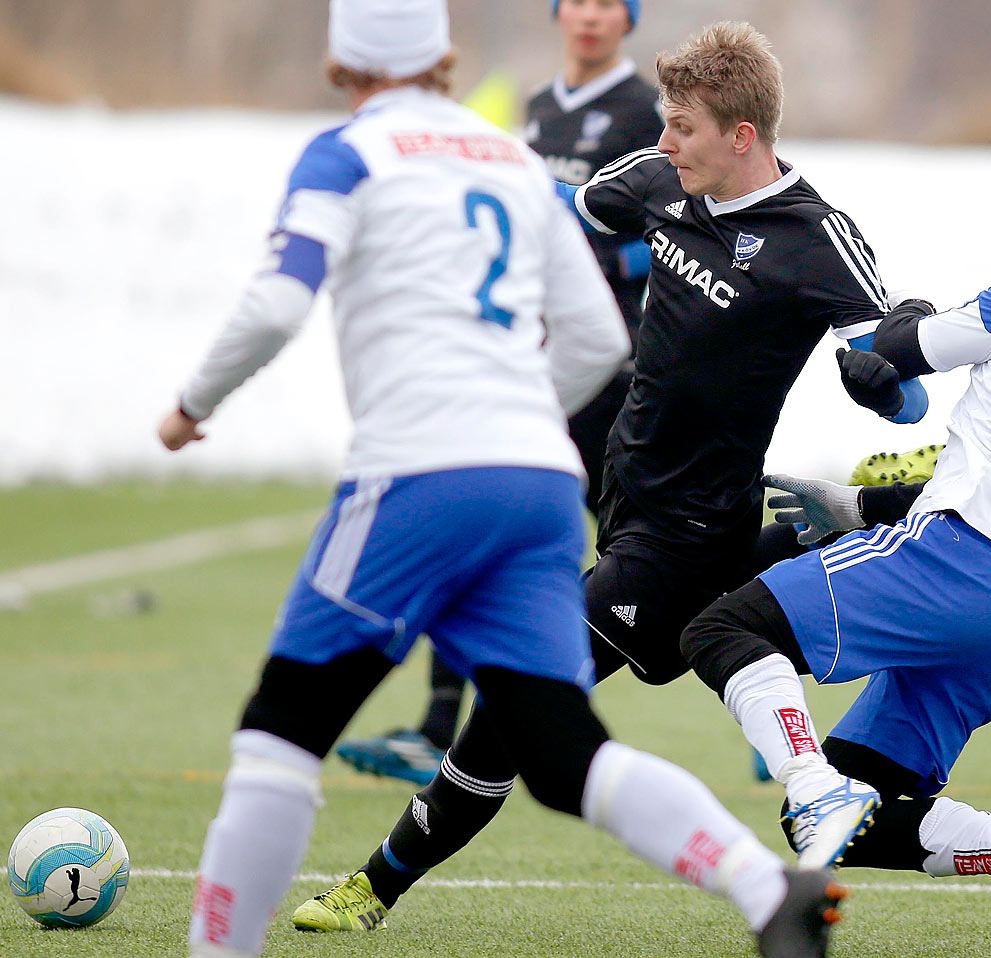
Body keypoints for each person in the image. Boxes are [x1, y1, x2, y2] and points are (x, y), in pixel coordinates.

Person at [160, 3, 846, 956]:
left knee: (280, 733)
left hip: (426, 470)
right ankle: (766, 886)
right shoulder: (509, 159)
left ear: (337, 60)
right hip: (538, 482)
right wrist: (526, 412)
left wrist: (191, 404)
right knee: (563, 752)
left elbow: (278, 301)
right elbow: (604, 337)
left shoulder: (347, 151)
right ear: (444, 58)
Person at [290, 19, 934, 934]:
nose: (663, 142)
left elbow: (894, 361)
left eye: (681, 128)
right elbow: (560, 216)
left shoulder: (814, 237)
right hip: (623, 506)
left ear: (742, 137)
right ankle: (808, 537)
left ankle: (371, 891)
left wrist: (891, 387)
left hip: (681, 539)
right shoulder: (660, 181)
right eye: (664, 126)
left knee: (513, 706)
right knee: (624, 657)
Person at [679, 137, 991, 923]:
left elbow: (895, 348)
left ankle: (811, 785)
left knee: (721, 632)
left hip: (952, 562)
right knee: (852, 815)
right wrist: (859, 507)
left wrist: (906, 310)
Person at [334, 0, 664, 787]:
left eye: (606, 3)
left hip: (609, 370)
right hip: (535, 364)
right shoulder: (538, 106)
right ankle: (438, 729)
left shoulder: (646, 114)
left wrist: (595, 270)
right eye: (575, 1)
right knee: (482, 534)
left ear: (627, 19)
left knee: (648, 560)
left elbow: (671, 235)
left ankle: (753, 674)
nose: (589, 16)